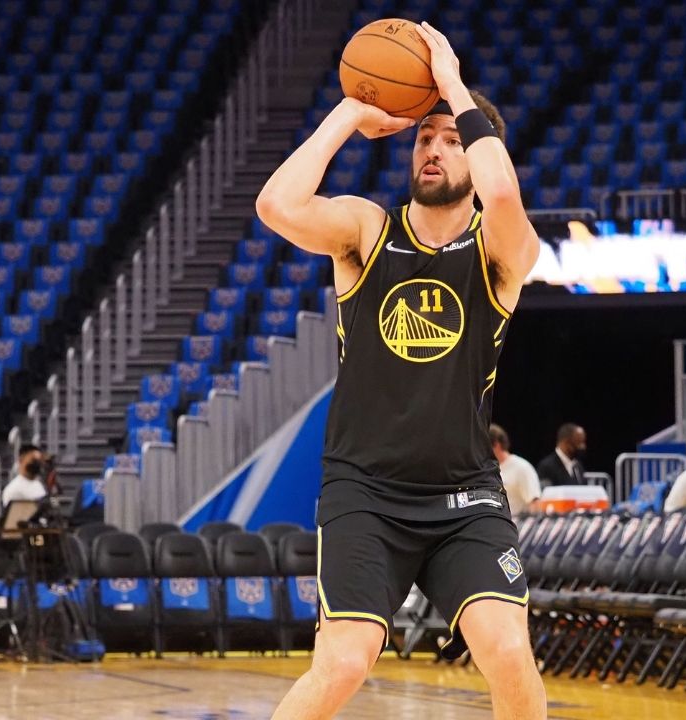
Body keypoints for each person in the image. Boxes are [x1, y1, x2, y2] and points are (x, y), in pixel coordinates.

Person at [256, 22, 546, 720]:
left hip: (464, 495)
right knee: (344, 664)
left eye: (451, 139)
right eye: (425, 138)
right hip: (365, 490)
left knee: (508, 651)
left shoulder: (502, 253)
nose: (434, 149)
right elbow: (277, 206)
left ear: (479, 155)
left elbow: (504, 199)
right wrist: (349, 114)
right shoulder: (366, 230)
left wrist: (449, 84)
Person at [489, 424, 541, 520]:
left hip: (515, 528)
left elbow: (535, 504)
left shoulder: (521, 467)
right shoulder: (486, 469)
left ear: (496, 444)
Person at [536, 423, 587, 487]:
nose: (583, 447)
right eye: (579, 443)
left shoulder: (578, 466)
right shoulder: (546, 467)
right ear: (566, 443)